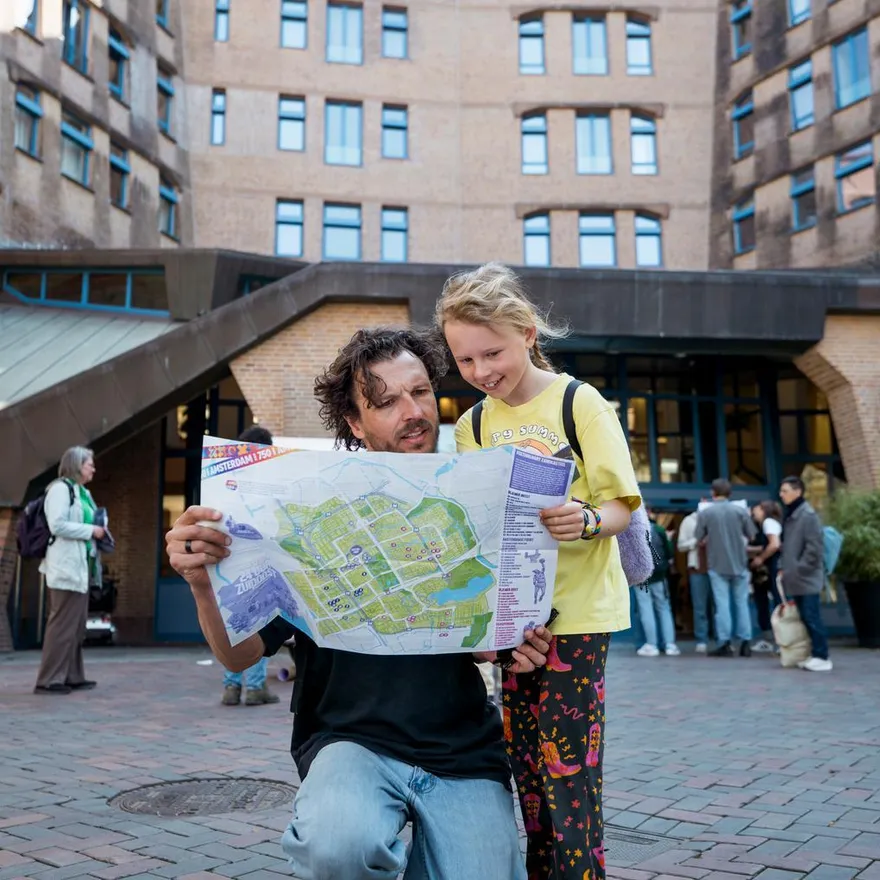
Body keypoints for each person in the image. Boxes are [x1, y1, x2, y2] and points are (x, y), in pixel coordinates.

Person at [166, 327, 554, 880]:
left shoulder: (477, 492)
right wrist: (202, 582)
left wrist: (516, 645)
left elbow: (490, 642)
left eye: (421, 392)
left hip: (463, 747)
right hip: (350, 741)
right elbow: (238, 657)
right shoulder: (302, 509)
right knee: (338, 847)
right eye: (387, 401)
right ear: (355, 422)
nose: (413, 411)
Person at [436, 263, 641, 880]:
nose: (481, 372)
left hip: (577, 617)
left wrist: (582, 518)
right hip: (515, 622)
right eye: (465, 361)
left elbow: (621, 508)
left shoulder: (581, 403)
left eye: (492, 352)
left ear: (528, 333)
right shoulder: (471, 424)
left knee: (570, 780)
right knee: (527, 772)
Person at [34, 446, 105, 695]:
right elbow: (57, 524)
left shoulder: (82, 492)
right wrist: (90, 531)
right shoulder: (60, 489)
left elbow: (91, 520)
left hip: (81, 567)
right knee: (61, 625)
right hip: (64, 568)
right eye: (89, 464)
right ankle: (49, 679)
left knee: (75, 626)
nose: (93, 468)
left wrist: (99, 528)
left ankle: (73, 676)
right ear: (76, 465)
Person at [220, 425, 280, 707]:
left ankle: (231, 688)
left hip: (231, 560)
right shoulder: (265, 480)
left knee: (236, 623)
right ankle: (255, 688)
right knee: (256, 622)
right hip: (257, 559)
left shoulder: (228, 478)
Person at [695, 479, 757, 657]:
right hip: (740, 563)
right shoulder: (740, 511)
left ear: (713, 493)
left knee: (722, 606)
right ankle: (746, 643)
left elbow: (698, 537)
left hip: (717, 563)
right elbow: (752, 534)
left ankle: (725, 643)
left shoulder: (706, 513)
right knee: (741, 604)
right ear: (730, 494)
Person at [778, 476, 832, 672]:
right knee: (805, 617)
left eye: (785, 491)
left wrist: (799, 568)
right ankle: (814, 654)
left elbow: (814, 548)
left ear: (797, 491)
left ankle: (822, 656)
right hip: (797, 577)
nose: (781, 495)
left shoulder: (807, 515)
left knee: (812, 617)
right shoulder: (793, 514)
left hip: (806, 577)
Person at [633, 510, 680, 657]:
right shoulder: (659, 529)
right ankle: (670, 645)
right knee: (664, 608)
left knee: (646, 608)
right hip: (659, 575)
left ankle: (651, 645)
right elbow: (669, 552)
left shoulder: (633, 530)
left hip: (642, 577)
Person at [748, 500, 783, 653]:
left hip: (770, 569)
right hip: (769, 569)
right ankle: (774, 640)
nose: (753, 510)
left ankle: (777, 640)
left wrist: (760, 558)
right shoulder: (766, 525)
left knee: (773, 602)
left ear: (764, 510)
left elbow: (774, 544)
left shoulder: (768, 522)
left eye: (756, 508)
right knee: (769, 601)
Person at [677, 505, 711, 652]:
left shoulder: (716, 518)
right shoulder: (689, 521)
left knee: (720, 606)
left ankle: (724, 638)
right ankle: (702, 639)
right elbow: (681, 546)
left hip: (718, 566)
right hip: (697, 568)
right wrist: (695, 542)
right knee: (700, 606)